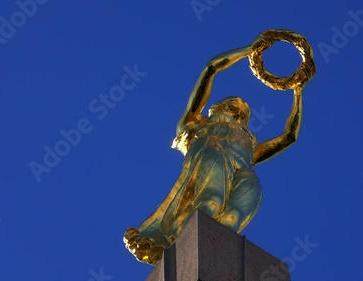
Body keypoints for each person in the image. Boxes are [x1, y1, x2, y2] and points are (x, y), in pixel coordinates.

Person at [124, 34, 311, 265]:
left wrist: (298, 91)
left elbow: (289, 137)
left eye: (244, 115)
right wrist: (249, 50)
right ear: (218, 108)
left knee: (231, 219)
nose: (240, 113)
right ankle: (186, 255)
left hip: (244, 173)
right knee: (210, 203)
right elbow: (211, 68)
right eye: (234, 106)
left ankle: (218, 262)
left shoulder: (248, 147)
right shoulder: (195, 125)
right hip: (211, 155)